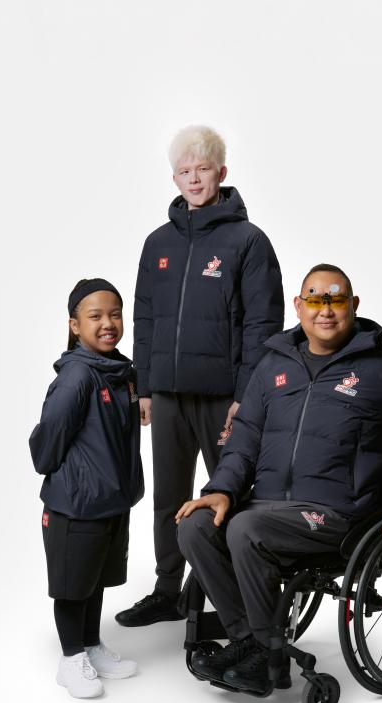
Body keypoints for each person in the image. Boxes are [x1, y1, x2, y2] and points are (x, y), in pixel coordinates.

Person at [175, 264, 382, 693]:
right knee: (194, 525)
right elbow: (244, 439)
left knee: (247, 529)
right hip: (266, 506)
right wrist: (221, 490)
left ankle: (265, 656)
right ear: (298, 306)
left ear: (353, 305)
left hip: (337, 515)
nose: (325, 310)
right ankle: (251, 641)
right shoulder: (272, 366)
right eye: (315, 300)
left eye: (336, 299)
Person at [115, 126, 284, 627]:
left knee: (231, 496)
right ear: (174, 178)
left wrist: (246, 395)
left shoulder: (248, 241)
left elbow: (263, 324)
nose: (193, 179)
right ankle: (168, 590)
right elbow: (145, 318)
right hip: (167, 396)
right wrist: (145, 386)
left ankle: (241, 600)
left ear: (221, 172)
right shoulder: (157, 243)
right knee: (167, 498)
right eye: (184, 171)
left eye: (203, 169)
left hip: (223, 398)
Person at [29, 278, 145, 698]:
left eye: (115, 314)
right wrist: (74, 475)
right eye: (95, 316)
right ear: (75, 325)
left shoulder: (121, 373)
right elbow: (46, 444)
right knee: (73, 585)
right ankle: (70, 658)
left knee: (95, 579)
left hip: (111, 501)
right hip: (77, 504)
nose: (108, 323)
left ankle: (91, 646)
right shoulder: (78, 377)